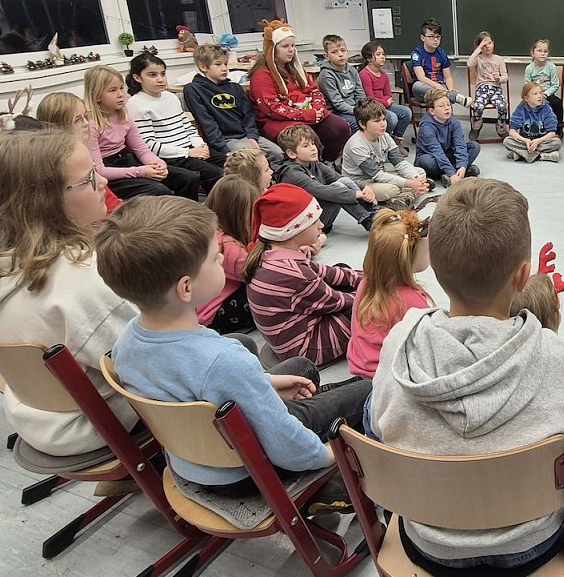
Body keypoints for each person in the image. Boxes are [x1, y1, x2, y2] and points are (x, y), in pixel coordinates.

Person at [368, 178, 564, 577]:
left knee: (375, 401)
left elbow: (379, 426)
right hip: (530, 547)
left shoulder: (399, 344)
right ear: (522, 276)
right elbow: (562, 431)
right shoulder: (549, 351)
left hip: (427, 544)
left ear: (435, 268)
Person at [95, 195, 371, 497]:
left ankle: (307, 401)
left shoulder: (126, 342)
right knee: (368, 388)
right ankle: (328, 484)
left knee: (301, 368)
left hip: (194, 458)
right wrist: (327, 455)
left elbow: (190, 380)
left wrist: (264, 383)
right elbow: (286, 447)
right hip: (247, 471)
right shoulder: (225, 361)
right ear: (186, 287)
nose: (222, 259)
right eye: (216, 257)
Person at [0, 128, 138, 455]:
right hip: (96, 424)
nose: (103, 182)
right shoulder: (84, 280)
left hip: (32, 413)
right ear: (43, 202)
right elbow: (150, 364)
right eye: (88, 179)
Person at [245, 184, 362, 367]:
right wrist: (376, 288)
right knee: (367, 307)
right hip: (307, 349)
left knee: (342, 270)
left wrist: (365, 277)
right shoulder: (297, 275)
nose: (322, 225)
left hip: (289, 336)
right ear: (294, 230)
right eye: (314, 222)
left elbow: (325, 272)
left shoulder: (272, 254)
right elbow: (339, 301)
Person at [84, 66, 199, 200]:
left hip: (128, 160)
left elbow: (142, 150)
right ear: (96, 95)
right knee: (159, 190)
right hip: (110, 172)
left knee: (189, 178)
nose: (121, 94)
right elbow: (100, 171)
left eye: (121, 88)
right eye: (112, 90)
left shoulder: (124, 115)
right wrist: (141, 172)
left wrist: (157, 163)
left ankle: (185, 212)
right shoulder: (90, 124)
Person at [248, 20, 351, 162]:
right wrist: (307, 115)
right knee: (308, 138)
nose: (291, 50)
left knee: (340, 128)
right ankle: (313, 167)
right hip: (278, 121)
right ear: (273, 49)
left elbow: (314, 90)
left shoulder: (296, 69)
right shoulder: (262, 76)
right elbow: (272, 108)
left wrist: (318, 109)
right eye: (285, 46)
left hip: (308, 114)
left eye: (292, 45)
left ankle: (327, 162)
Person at [348, 208, 433, 379]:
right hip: (387, 377)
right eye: (427, 251)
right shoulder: (414, 303)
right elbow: (426, 349)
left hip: (358, 363)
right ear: (406, 259)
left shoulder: (366, 283)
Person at [124, 51, 224, 193]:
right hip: (171, 156)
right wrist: (188, 152)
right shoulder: (136, 104)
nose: (160, 79)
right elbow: (149, 145)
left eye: (163, 74)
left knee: (231, 163)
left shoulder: (170, 97)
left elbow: (188, 127)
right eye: (152, 75)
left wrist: (200, 145)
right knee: (216, 174)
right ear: (137, 77)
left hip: (190, 149)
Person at [182, 43, 283, 166]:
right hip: (225, 140)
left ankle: (274, 176)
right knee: (253, 158)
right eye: (218, 64)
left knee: (277, 153)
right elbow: (207, 123)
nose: (224, 68)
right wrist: (223, 150)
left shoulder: (235, 87)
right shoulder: (194, 89)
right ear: (203, 66)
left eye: (225, 64)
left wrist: (252, 136)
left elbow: (248, 115)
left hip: (247, 136)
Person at [276, 125, 377, 234]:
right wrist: (358, 194)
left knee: (344, 182)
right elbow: (322, 191)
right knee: (337, 187)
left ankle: (371, 211)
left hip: (319, 216)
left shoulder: (314, 163)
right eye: (306, 146)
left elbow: (340, 178)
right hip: (304, 225)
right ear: (291, 153)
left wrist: (365, 188)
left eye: (312, 143)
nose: (313, 148)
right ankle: (367, 220)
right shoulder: (291, 173)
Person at [36, 91, 122, 213]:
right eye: (77, 120)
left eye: (86, 117)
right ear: (58, 127)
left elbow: (111, 201)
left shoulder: (81, 150)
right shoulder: (63, 164)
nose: (87, 124)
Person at [197, 175, 259, 334]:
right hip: (213, 314)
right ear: (239, 215)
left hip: (211, 304)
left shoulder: (214, 231)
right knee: (270, 291)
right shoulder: (226, 245)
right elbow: (261, 272)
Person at [342, 99, 430, 209]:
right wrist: (410, 183)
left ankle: (403, 197)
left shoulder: (385, 136)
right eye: (377, 121)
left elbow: (400, 163)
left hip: (379, 177)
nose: (383, 124)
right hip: (360, 182)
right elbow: (377, 175)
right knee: (392, 189)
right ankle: (409, 193)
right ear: (362, 124)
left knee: (419, 172)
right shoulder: (356, 145)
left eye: (384, 119)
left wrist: (416, 179)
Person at [414, 88, 480, 186]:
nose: (447, 108)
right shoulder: (426, 127)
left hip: (447, 153)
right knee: (426, 161)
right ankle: (455, 172)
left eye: (448, 105)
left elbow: (460, 145)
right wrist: (451, 173)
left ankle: (457, 172)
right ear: (432, 111)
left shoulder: (454, 122)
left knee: (474, 146)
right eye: (441, 106)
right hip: (432, 156)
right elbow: (436, 151)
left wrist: (462, 165)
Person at [408, 19, 472, 107]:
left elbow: (448, 77)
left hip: (441, 85)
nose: (435, 40)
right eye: (431, 36)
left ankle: (450, 96)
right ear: (423, 38)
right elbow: (421, 78)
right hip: (424, 88)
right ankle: (454, 97)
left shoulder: (441, 53)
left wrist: (451, 89)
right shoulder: (417, 53)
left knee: (445, 94)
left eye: (438, 37)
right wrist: (439, 88)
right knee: (417, 86)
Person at [359, 40, 412, 143]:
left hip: (384, 104)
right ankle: (383, 140)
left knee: (406, 112)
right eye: (378, 54)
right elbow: (369, 98)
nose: (382, 57)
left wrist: (386, 101)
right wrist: (385, 102)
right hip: (372, 106)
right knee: (392, 118)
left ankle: (396, 140)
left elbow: (388, 94)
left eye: (383, 54)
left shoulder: (384, 75)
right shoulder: (365, 74)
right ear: (368, 58)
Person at [316, 34, 366, 132]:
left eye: (343, 50)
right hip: (336, 112)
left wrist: (363, 108)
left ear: (347, 51)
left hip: (355, 109)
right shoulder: (326, 75)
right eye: (334, 52)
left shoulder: (352, 70)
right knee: (360, 124)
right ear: (326, 56)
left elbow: (360, 93)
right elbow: (337, 103)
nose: (340, 54)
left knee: (383, 118)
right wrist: (358, 112)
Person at [466, 30, 509, 140]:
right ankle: (476, 126)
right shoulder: (478, 58)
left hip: (495, 88)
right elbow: (469, 64)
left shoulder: (499, 59)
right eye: (484, 45)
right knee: (478, 106)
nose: (487, 47)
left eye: (489, 43)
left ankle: (501, 126)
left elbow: (505, 77)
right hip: (482, 88)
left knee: (503, 106)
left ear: (493, 43)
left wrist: (499, 78)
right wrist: (479, 48)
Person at [505, 82, 561, 163]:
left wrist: (538, 141)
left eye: (540, 93)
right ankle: (543, 156)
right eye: (535, 94)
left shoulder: (547, 109)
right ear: (526, 98)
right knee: (507, 141)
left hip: (542, 141)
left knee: (557, 142)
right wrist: (525, 140)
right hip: (525, 141)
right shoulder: (521, 108)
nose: (539, 96)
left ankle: (522, 154)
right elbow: (512, 132)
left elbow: (552, 133)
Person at [524, 38, 564, 139]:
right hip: (533, 95)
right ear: (533, 53)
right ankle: (529, 129)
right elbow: (527, 85)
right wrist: (535, 94)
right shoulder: (529, 68)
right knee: (525, 104)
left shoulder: (551, 67)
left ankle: (557, 129)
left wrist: (545, 94)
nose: (542, 54)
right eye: (539, 51)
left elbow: (555, 84)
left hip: (547, 94)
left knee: (557, 103)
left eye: (545, 51)